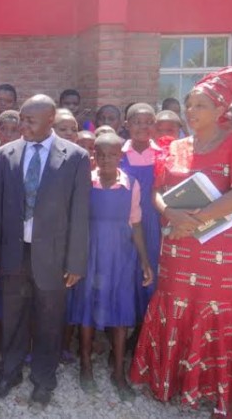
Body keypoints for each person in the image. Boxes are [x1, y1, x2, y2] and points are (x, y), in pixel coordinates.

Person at [131, 62, 232, 418]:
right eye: (189, 104)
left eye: (200, 105)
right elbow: (158, 191)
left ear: (221, 110)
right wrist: (171, 214)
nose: (191, 111)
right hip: (178, 245)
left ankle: (217, 391)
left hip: (218, 247)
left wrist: (197, 218)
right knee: (174, 303)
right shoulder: (175, 147)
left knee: (215, 311)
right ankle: (169, 381)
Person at [0, 94, 91, 406]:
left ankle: (44, 379)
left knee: (49, 319)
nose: (23, 126)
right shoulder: (5, 155)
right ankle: (10, 371)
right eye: (22, 119)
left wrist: (75, 261)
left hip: (54, 256)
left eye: (30, 121)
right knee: (13, 315)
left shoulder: (75, 157)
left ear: (50, 121)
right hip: (14, 253)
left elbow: (79, 214)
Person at [69, 133, 152, 399]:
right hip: (90, 252)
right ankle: (85, 365)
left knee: (120, 309)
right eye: (99, 154)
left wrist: (144, 261)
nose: (105, 159)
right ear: (93, 155)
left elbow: (135, 223)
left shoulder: (132, 184)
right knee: (87, 309)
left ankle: (118, 372)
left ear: (121, 156)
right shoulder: (84, 182)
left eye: (111, 155)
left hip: (120, 256)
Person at [120, 103, 162, 338]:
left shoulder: (163, 155)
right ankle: (121, 331)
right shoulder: (118, 153)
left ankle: (144, 336)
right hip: (123, 225)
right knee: (126, 274)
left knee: (150, 273)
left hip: (153, 223)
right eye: (137, 122)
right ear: (127, 125)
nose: (143, 127)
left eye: (149, 122)